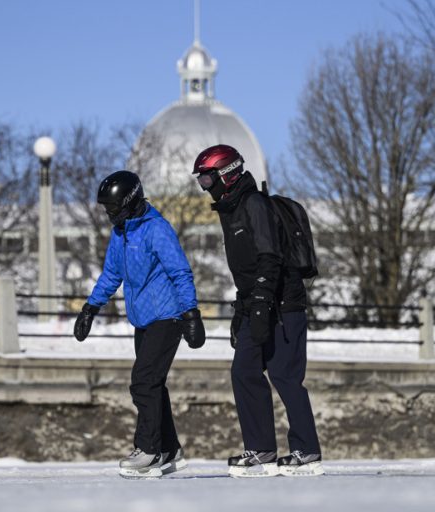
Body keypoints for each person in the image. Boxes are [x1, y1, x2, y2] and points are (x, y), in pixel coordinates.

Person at [192, 145, 322, 478]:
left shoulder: (254, 204)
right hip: (255, 304)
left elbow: (270, 256)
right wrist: (242, 307)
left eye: (207, 179)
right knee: (244, 372)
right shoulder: (231, 211)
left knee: (285, 376)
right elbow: (246, 269)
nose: (205, 187)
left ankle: (306, 452)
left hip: (282, 305)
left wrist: (264, 300)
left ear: (226, 173)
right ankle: (262, 449)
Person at [73, 170, 205, 479]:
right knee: (153, 385)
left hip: (167, 316)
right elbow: (111, 274)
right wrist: (90, 308)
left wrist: (191, 314)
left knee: (143, 382)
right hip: (143, 320)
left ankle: (149, 451)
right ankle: (170, 450)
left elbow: (180, 273)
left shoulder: (156, 230)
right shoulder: (122, 232)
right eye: (106, 210)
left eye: (113, 209)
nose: (109, 215)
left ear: (130, 202)